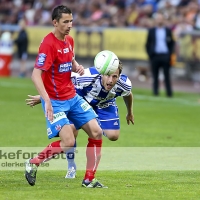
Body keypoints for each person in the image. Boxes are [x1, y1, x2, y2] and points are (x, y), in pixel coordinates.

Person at [24, 5, 107, 188]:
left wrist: (75, 65)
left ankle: (88, 179)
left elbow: (68, 58)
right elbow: (35, 75)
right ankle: (33, 163)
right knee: (68, 142)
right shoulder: (48, 44)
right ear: (55, 22)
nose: (69, 25)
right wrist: (46, 100)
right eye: (65, 22)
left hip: (72, 97)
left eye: (71, 21)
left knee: (96, 132)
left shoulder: (69, 40)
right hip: (56, 101)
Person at [26, 60, 134, 179]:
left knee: (113, 136)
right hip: (80, 99)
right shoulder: (87, 76)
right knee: (71, 132)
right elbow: (61, 83)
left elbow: (128, 94)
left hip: (105, 103)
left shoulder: (124, 83)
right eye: (108, 75)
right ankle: (71, 165)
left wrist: (129, 112)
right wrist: (43, 97)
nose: (111, 80)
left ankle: (89, 178)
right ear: (102, 73)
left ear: (119, 76)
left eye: (115, 77)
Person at [145, 13, 175, 97]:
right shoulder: (152, 31)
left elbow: (172, 43)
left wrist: (170, 53)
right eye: (158, 19)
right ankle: (155, 92)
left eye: (161, 19)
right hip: (155, 55)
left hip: (165, 55)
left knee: (167, 75)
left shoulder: (168, 30)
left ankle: (169, 93)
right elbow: (147, 44)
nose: (159, 20)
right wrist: (150, 54)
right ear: (155, 20)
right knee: (155, 76)